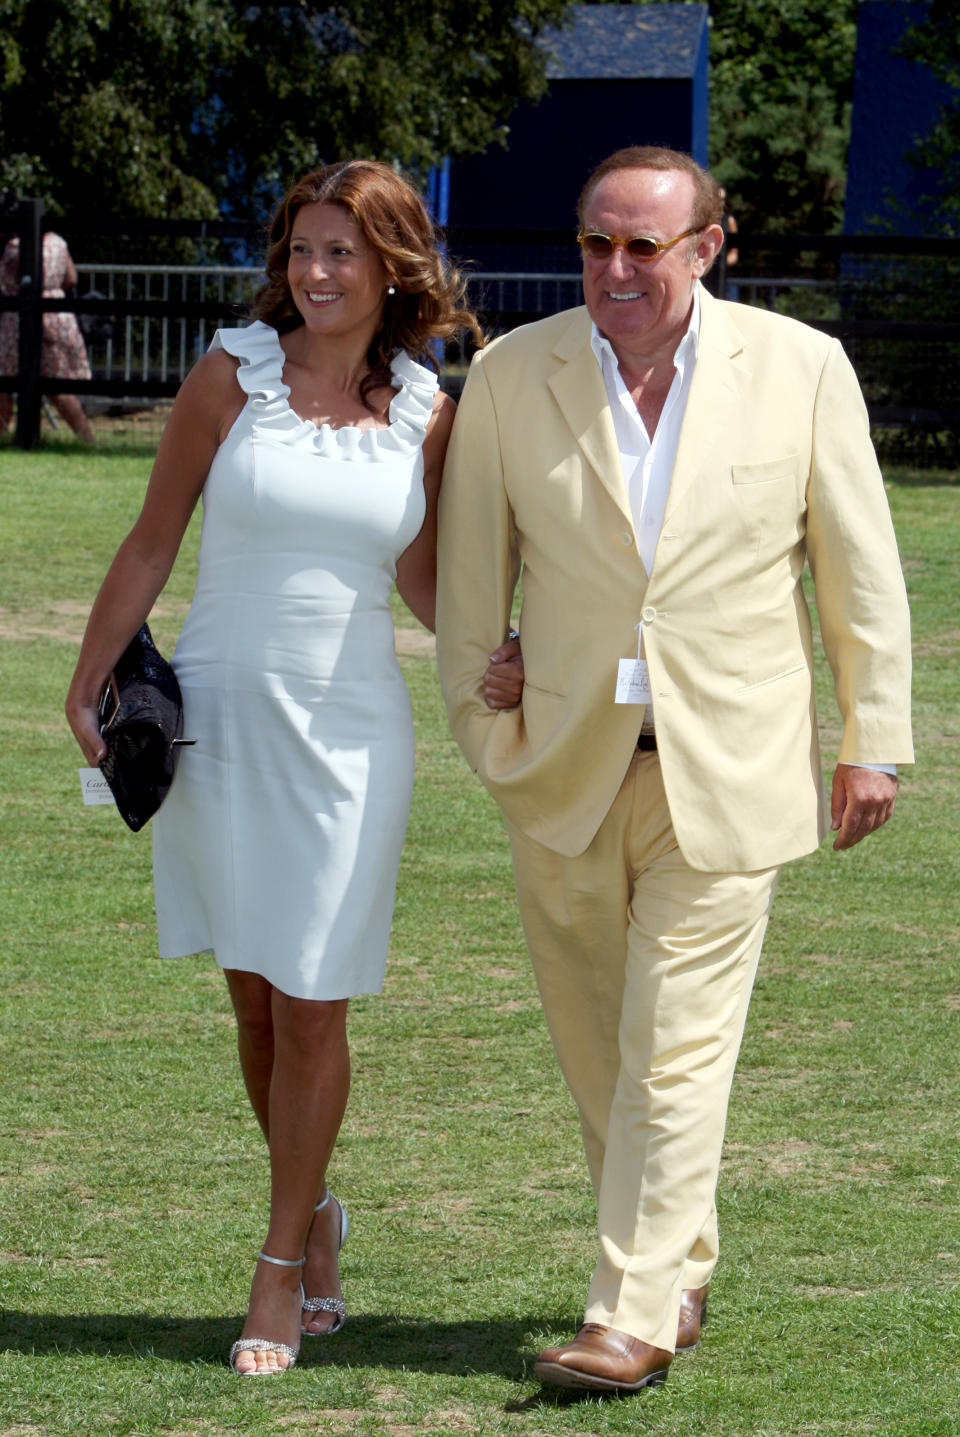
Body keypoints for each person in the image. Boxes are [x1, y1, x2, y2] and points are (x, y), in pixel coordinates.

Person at [436, 146, 913, 1395]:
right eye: (598, 242)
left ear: (713, 246)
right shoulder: (508, 373)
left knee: (676, 1052)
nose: (615, 268)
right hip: (562, 771)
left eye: (644, 245)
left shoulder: (801, 371)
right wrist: (493, 733)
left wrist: (874, 736)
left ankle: (629, 1312)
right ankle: (677, 1256)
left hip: (731, 769)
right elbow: (474, 585)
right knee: (600, 1049)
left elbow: (860, 570)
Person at [65, 160, 522, 1376]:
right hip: (218, 716)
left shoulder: (433, 411)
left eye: (343, 254)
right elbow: (154, 536)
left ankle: (277, 1265)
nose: (316, 275)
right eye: (302, 251)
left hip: (351, 731)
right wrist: (85, 678)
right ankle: (313, 1207)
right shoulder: (231, 375)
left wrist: (504, 650)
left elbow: (429, 585)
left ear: (393, 269)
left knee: (315, 997)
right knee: (257, 1000)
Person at [0, 229, 95, 441]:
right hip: (57, 313)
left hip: (17, 318)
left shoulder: (13, 247)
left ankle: (4, 435)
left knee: (4, 383)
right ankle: (87, 439)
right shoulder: (58, 242)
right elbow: (71, 278)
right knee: (58, 385)